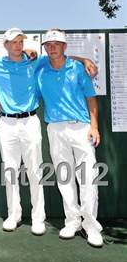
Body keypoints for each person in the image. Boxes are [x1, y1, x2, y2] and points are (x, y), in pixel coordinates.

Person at [36, 29, 103, 247]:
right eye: (48, 44)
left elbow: (91, 98)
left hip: (81, 128)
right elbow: (24, 59)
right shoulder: (41, 68)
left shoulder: (78, 68)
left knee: (88, 177)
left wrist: (94, 127)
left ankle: (90, 225)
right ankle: (72, 221)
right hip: (55, 128)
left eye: (57, 43)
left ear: (65, 46)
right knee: (65, 177)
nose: (52, 47)